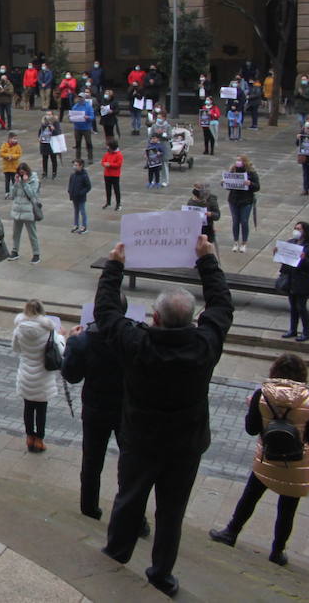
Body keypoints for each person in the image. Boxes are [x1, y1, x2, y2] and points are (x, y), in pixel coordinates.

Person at [96, 236, 233, 598]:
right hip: (184, 445)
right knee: (171, 512)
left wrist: (114, 266)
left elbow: (107, 314)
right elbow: (222, 307)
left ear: (154, 318)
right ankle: (161, 574)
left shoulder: (137, 345)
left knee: (129, 499)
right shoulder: (204, 347)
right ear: (191, 320)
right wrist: (208, 262)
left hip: (141, 440)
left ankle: (117, 552)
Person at [208, 352, 309, 567]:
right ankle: (277, 551)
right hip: (296, 464)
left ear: (274, 371)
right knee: (287, 510)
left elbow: (251, 429)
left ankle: (231, 532)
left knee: (250, 496)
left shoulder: (262, 394)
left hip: (267, 459)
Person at [63, 292, 147, 528]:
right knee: (131, 464)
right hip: (127, 410)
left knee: (91, 462)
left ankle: (89, 509)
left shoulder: (84, 340)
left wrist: (71, 342)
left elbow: (71, 375)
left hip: (95, 407)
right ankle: (136, 519)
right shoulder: (136, 337)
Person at [12, 299, 62, 453]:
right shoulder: (49, 331)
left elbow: (15, 348)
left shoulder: (19, 329)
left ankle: (29, 437)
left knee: (28, 407)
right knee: (41, 410)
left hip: (26, 374)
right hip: (43, 377)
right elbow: (59, 350)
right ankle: (39, 440)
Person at [277, 221, 309, 341]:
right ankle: (293, 330)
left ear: (305, 232)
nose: (296, 231)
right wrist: (278, 253)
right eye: (295, 228)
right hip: (291, 279)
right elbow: (285, 259)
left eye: (299, 229)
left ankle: (306, 332)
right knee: (293, 307)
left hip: (303, 281)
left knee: (301, 307)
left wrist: (304, 260)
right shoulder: (292, 242)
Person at [8, 163, 42, 264]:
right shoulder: (18, 180)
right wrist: (15, 182)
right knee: (16, 233)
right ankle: (15, 251)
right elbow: (12, 195)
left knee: (32, 234)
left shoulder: (34, 180)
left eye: (23, 173)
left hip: (28, 211)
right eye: (20, 173)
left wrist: (26, 183)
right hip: (18, 210)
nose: (21, 174)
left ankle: (36, 254)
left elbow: (33, 195)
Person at [227, 155, 260, 252]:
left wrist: (250, 184)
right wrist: (224, 182)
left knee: (244, 221)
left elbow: (257, 187)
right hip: (234, 200)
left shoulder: (251, 173)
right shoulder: (233, 170)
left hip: (246, 201)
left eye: (240, 160)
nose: (238, 162)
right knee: (235, 221)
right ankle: (236, 242)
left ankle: (244, 243)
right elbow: (229, 186)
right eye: (237, 160)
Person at [68, 157, 91, 234]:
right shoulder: (73, 175)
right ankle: (76, 225)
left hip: (81, 197)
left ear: (81, 166)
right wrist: (70, 191)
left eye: (76, 165)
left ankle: (84, 226)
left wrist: (81, 193)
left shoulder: (84, 176)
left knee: (82, 211)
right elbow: (70, 184)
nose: (74, 166)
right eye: (74, 165)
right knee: (76, 211)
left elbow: (88, 187)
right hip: (74, 196)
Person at [101, 139, 123, 210]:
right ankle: (108, 202)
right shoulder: (107, 154)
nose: (107, 147)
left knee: (116, 190)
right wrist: (105, 164)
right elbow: (103, 161)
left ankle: (118, 203)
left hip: (115, 175)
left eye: (108, 146)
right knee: (108, 189)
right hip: (107, 174)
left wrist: (110, 165)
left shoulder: (119, 154)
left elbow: (118, 165)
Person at [0, 132, 22, 196]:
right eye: (14, 138)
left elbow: (19, 154)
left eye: (16, 138)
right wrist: (7, 156)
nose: (15, 140)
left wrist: (12, 156)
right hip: (6, 167)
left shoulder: (18, 146)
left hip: (14, 167)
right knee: (7, 181)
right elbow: (1, 153)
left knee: (14, 181)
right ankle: (7, 193)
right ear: (9, 139)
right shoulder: (4, 145)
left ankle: (14, 193)